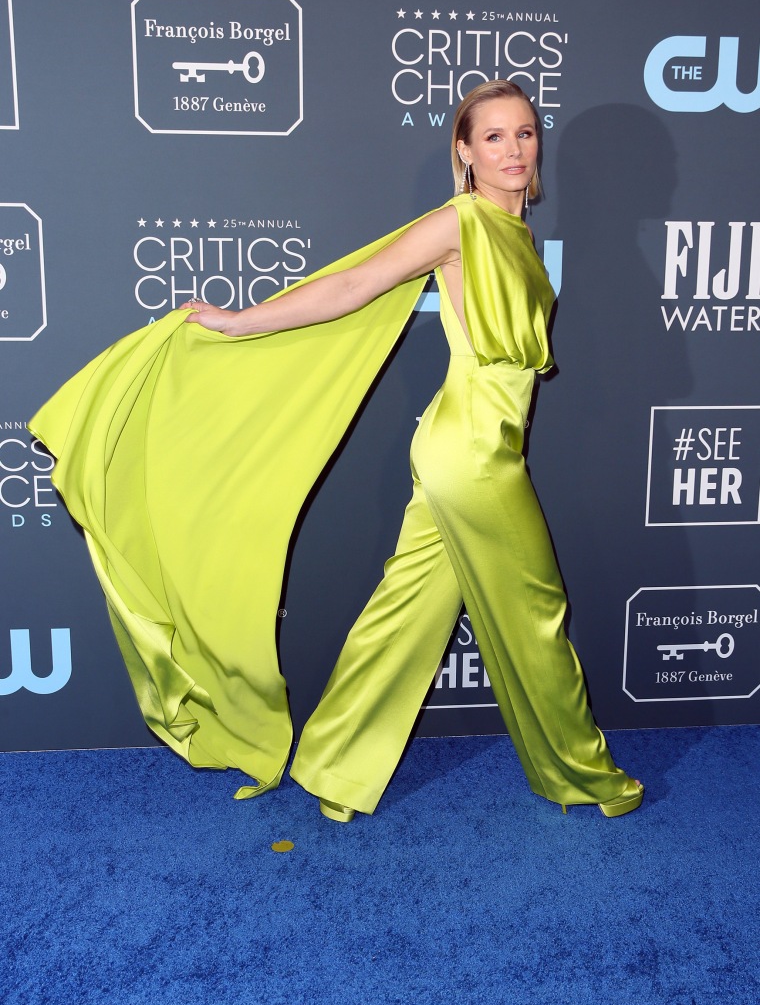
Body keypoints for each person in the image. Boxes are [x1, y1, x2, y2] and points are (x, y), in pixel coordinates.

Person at [31, 81, 642, 822]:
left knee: (405, 612)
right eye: (493, 138)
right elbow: (356, 283)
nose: (513, 150)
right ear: (463, 151)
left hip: (472, 448)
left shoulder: (520, 234)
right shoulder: (459, 224)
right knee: (538, 611)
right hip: (473, 456)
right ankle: (585, 772)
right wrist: (239, 322)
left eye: (525, 134)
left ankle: (335, 767)